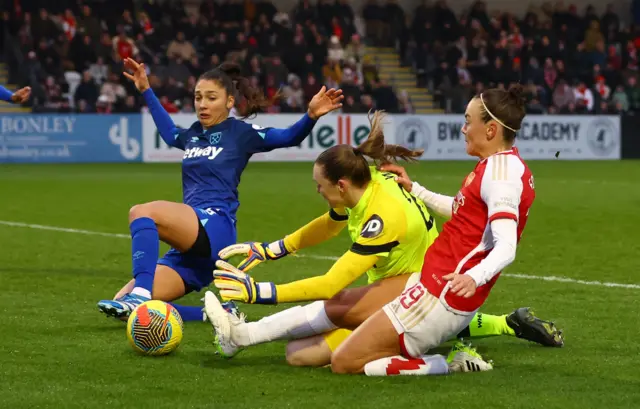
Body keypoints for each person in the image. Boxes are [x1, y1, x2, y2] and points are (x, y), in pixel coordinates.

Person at [203, 102, 560, 369]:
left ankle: (242, 335)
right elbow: (331, 222)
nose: (318, 193)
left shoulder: (381, 214)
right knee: (299, 355)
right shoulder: (370, 183)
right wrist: (275, 249)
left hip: (423, 285)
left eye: (320, 187)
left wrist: (259, 292)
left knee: (338, 317)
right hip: (425, 280)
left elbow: (331, 283)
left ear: (341, 186)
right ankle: (242, 337)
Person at [97, 57, 344, 321]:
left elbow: (288, 137)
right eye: (198, 97)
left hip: (214, 226)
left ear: (229, 102)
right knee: (122, 305)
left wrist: (310, 116)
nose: (202, 104)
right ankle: (215, 314)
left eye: (211, 98)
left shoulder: (240, 133)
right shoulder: (192, 134)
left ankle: (142, 293)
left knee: (142, 212)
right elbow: (169, 132)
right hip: (190, 245)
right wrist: (146, 89)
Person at [320, 83, 536, 376]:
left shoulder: (501, 175)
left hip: (441, 296)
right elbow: (463, 212)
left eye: (468, 121)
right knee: (346, 350)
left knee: (345, 362)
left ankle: (445, 364)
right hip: (434, 285)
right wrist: (415, 189)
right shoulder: (497, 166)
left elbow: (506, 246)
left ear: (490, 130)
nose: (463, 129)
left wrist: (474, 276)